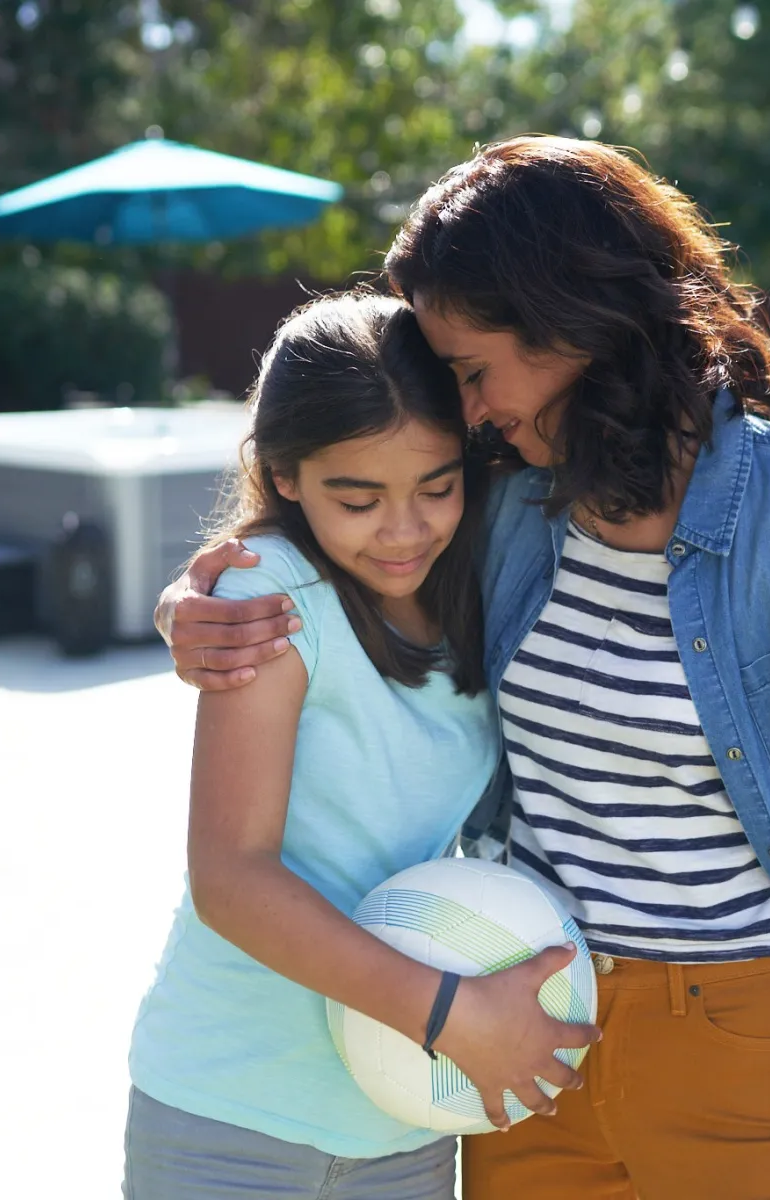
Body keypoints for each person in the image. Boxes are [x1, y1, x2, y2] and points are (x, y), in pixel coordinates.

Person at [156, 138, 770, 1200]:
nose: (471, 409)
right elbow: (340, 530)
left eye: (475, 372)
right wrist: (189, 603)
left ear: (574, 321)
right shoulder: (509, 498)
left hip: (748, 1046)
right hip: (523, 1021)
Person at [124, 291, 600, 1200]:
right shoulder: (269, 595)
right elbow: (230, 879)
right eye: (358, 497)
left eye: (436, 485)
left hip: (407, 1117)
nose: (404, 528)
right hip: (230, 1113)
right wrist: (450, 1015)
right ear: (287, 475)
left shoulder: (480, 576)